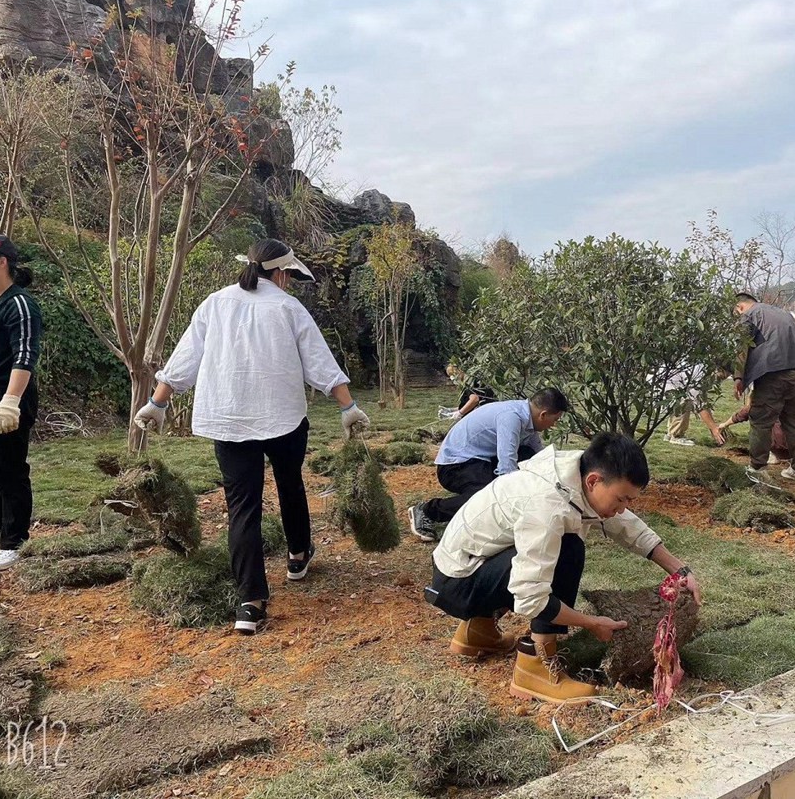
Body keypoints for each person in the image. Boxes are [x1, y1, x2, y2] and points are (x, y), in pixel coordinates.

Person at [135, 239, 370, 635]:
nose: (289, 284)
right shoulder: (287, 306)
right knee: (289, 483)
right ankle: (297, 556)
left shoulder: (215, 303)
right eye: (290, 277)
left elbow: (185, 358)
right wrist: (348, 407)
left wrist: (157, 403)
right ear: (280, 273)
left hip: (229, 419)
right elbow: (319, 361)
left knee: (242, 506)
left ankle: (250, 603)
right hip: (283, 416)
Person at [425, 433, 702, 703]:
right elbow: (530, 597)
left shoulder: (574, 480)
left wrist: (680, 570)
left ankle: (477, 631)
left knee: (541, 549)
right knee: (568, 549)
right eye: (621, 499)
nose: (623, 508)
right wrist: (591, 622)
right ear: (594, 481)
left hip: (461, 569)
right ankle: (535, 666)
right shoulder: (548, 504)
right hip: (456, 584)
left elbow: (625, 525)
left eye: (630, 501)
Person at [408, 388, 569, 541]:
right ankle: (427, 511)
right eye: (555, 420)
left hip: (479, 461)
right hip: (455, 465)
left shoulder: (527, 421)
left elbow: (540, 459)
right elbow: (506, 468)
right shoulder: (512, 417)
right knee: (483, 497)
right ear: (543, 414)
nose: (554, 425)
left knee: (527, 455)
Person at [0, 234, 42, 573]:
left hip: (7, 395)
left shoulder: (18, 303)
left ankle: (14, 541)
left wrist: (10, 401)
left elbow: (24, 354)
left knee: (8, 468)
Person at [733, 290, 795, 482]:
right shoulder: (783, 313)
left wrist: (738, 376)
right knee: (792, 420)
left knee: (761, 421)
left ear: (740, 307)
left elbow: (742, 346)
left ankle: (757, 468)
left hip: (773, 373)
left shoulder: (749, 315)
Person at [718, 402, 795, 466]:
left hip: (779, 448)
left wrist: (725, 424)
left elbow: (743, 413)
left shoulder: (766, 400)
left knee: (761, 423)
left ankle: (773, 456)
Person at [663, 365, 725, 447]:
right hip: (666, 388)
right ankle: (676, 436)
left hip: (670, 385)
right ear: (717, 369)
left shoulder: (704, 370)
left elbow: (703, 401)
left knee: (683, 398)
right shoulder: (700, 374)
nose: (720, 380)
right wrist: (713, 428)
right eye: (721, 377)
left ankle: (670, 434)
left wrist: (713, 426)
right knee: (684, 401)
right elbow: (700, 404)